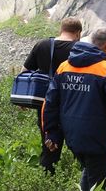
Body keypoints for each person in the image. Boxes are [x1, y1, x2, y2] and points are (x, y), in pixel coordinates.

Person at [42, 28, 106, 191]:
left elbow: (50, 103)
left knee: (90, 171)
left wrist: (51, 132)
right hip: (97, 136)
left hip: (72, 136)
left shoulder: (64, 67)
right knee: (99, 182)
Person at [22, 17, 82, 174]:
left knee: (49, 148)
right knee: (80, 148)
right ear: (78, 33)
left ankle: (47, 180)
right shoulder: (80, 48)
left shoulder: (42, 45)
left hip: (46, 106)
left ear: (60, 30)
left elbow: (25, 72)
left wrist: (23, 100)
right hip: (73, 104)